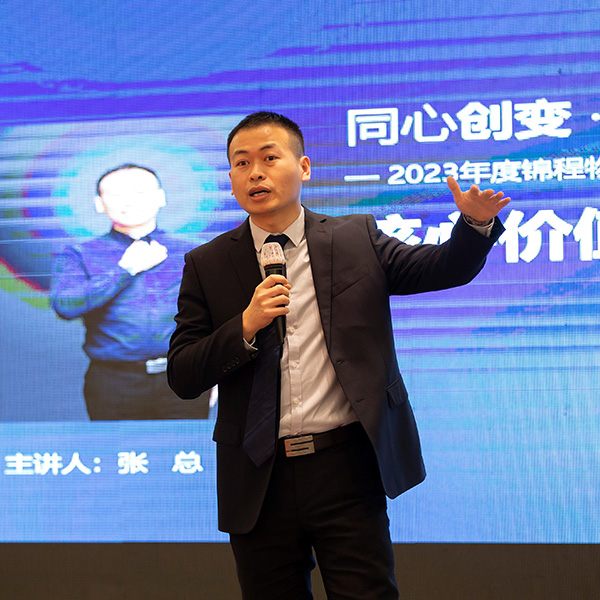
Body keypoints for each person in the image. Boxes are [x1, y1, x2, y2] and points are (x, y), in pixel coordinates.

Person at [167, 112, 510, 599]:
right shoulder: (207, 263)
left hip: (345, 466)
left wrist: (474, 224)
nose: (255, 173)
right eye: (241, 163)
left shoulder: (355, 238)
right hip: (258, 475)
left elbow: (440, 268)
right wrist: (245, 325)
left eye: (269, 158)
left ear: (304, 167)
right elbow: (183, 374)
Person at [51, 163, 210, 420]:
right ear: (99, 203)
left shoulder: (195, 252)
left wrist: (217, 374)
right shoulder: (79, 254)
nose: (130, 201)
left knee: (182, 445)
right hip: (114, 383)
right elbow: (65, 306)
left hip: (184, 376)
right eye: (117, 194)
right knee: (117, 447)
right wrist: (125, 270)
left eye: (140, 192)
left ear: (161, 197)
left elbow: (218, 315)